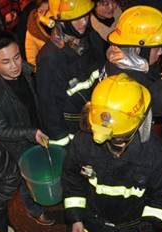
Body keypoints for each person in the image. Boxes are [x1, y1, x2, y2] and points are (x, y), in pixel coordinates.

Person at [62, 74, 162, 232]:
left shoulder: (156, 155)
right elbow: (72, 179)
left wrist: (150, 229)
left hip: (131, 230)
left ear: (142, 123)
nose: (114, 146)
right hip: (92, 224)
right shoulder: (82, 143)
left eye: (120, 138)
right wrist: (75, 217)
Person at [0, 31, 53, 226]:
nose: (14, 66)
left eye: (16, 57)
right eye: (5, 62)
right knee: (25, 181)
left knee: (43, 167)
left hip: (36, 128)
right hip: (19, 146)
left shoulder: (24, 70)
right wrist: (29, 133)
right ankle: (34, 210)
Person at [36, 0, 107, 147]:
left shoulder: (91, 37)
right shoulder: (50, 57)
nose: (83, 22)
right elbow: (50, 108)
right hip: (72, 130)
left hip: (93, 120)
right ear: (60, 22)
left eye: (85, 16)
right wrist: (62, 146)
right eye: (76, 18)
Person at [24, 0, 51, 68]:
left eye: (47, 10)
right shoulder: (32, 32)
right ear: (36, 12)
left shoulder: (61, 23)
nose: (44, 15)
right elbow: (32, 62)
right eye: (40, 11)